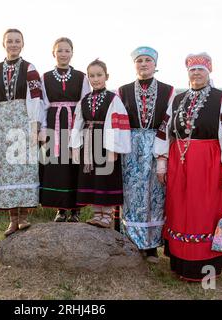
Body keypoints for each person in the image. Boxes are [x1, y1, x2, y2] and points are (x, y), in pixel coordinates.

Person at [153, 52, 222, 281]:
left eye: (200, 69)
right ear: (188, 72)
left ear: (209, 71)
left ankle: (206, 265)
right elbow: (166, 131)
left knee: (203, 211)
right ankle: (181, 264)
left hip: (209, 163)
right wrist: (162, 163)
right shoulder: (177, 100)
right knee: (180, 210)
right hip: (179, 163)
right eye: (192, 69)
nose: (196, 73)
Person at [118, 47, 175, 263]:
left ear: (155, 64)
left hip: (157, 145)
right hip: (131, 147)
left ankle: (151, 246)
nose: (143, 64)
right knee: (132, 194)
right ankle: (131, 243)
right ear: (134, 64)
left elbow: (169, 123)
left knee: (155, 194)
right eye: (139, 60)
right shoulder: (122, 91)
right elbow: (118, 121)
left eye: (148, 60)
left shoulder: (169, 91)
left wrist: (163, 154)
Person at [0, 29, 43, 236]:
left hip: (24, 120)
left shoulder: (30, 68)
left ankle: (24, 216)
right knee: (6, 169)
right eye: (10, 41)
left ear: (23, 44)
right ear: (3, 44)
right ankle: (12, 219)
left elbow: (35, 99)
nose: (13, 44)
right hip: (2, 122)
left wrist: (35, 126)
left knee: (25, 167)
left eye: (17, 41)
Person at [71, 59, 131, 228]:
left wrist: (114, 148)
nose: (96, 79)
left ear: (107, 76)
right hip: (89, 143)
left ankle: (107, 215)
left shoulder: (113, 99)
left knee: (106, 178)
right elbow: (77, 122)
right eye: (92, 76)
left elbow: (118, 123)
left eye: (99, 75)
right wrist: (75, 146)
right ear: (88, 78)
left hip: (106, 143)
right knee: (93, 178)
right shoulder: (84, 100)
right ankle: (97, 214)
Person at [39, 37, 91, 223]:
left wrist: (82, 128)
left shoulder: (81, 77)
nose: (63, 54)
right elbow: (42, 105)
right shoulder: (44, 77)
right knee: (57, 166)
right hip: (54, 122)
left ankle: (76, 210)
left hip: (75, 123)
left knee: (73, 164)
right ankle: (61, 209)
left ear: (72, 53)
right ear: (54, 53)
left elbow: (85, 102)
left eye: (67, 50)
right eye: (59, 50)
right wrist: (43, 128)